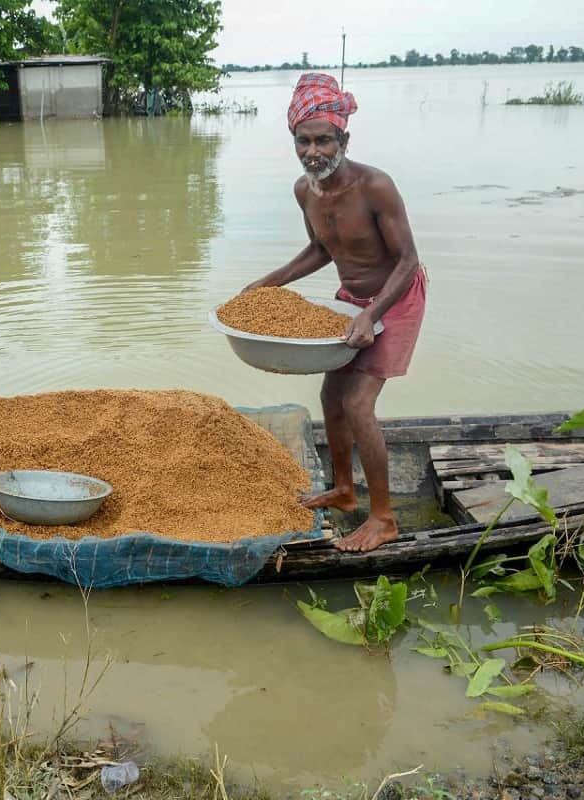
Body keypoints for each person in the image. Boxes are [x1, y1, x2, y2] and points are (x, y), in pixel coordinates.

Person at [244, 73, 427, 553]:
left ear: (344, 138)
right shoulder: (306, 192)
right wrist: (268, 283)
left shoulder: (375, 186)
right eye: (303, 141)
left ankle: (383, 518)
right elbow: (320, 250)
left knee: (358, 404)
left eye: (324, 139)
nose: (313, 152)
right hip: (351, 297)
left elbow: (408, 261)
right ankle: (345, 492)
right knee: (331, 398)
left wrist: (371, 316)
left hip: (397, 295)